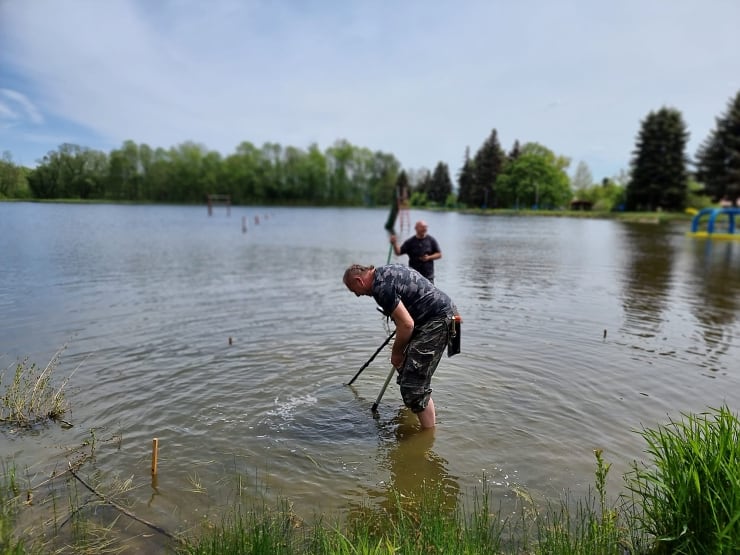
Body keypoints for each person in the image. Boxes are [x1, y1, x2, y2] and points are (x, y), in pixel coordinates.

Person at [343, 263, 460, 428]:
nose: (357, 295)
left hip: (438, 320)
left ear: (358, 281)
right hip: (443, 314)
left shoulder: (380, 287)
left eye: (355, 291)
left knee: (414, 386)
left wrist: (396, 353)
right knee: (407, 371)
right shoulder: (386, 271)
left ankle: (427, 436)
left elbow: (406, 325)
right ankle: (414, 412)